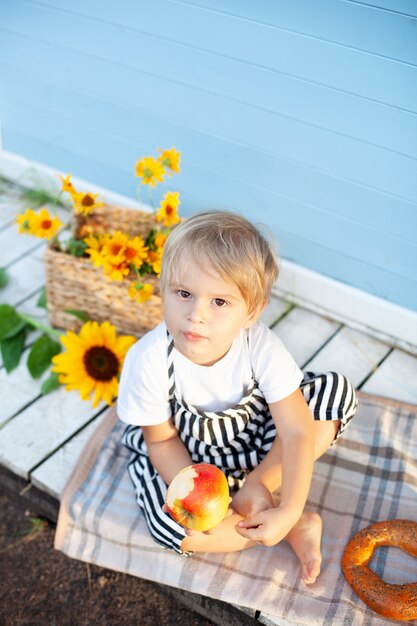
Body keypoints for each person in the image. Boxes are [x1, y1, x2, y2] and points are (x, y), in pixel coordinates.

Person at [117, 211, 357, 585]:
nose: (196, 315)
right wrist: (204, 504)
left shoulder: (259, 345)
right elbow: (161, 441)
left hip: (259, 445)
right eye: (183, 293)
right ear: (161, 288)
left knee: (331, 395)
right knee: (171, 528)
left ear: (252, 311)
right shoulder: (148, 359)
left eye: (219, 302)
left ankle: (271, 500)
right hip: (189, 457)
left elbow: (294, 431)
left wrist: (288, 502)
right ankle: (275, 526)